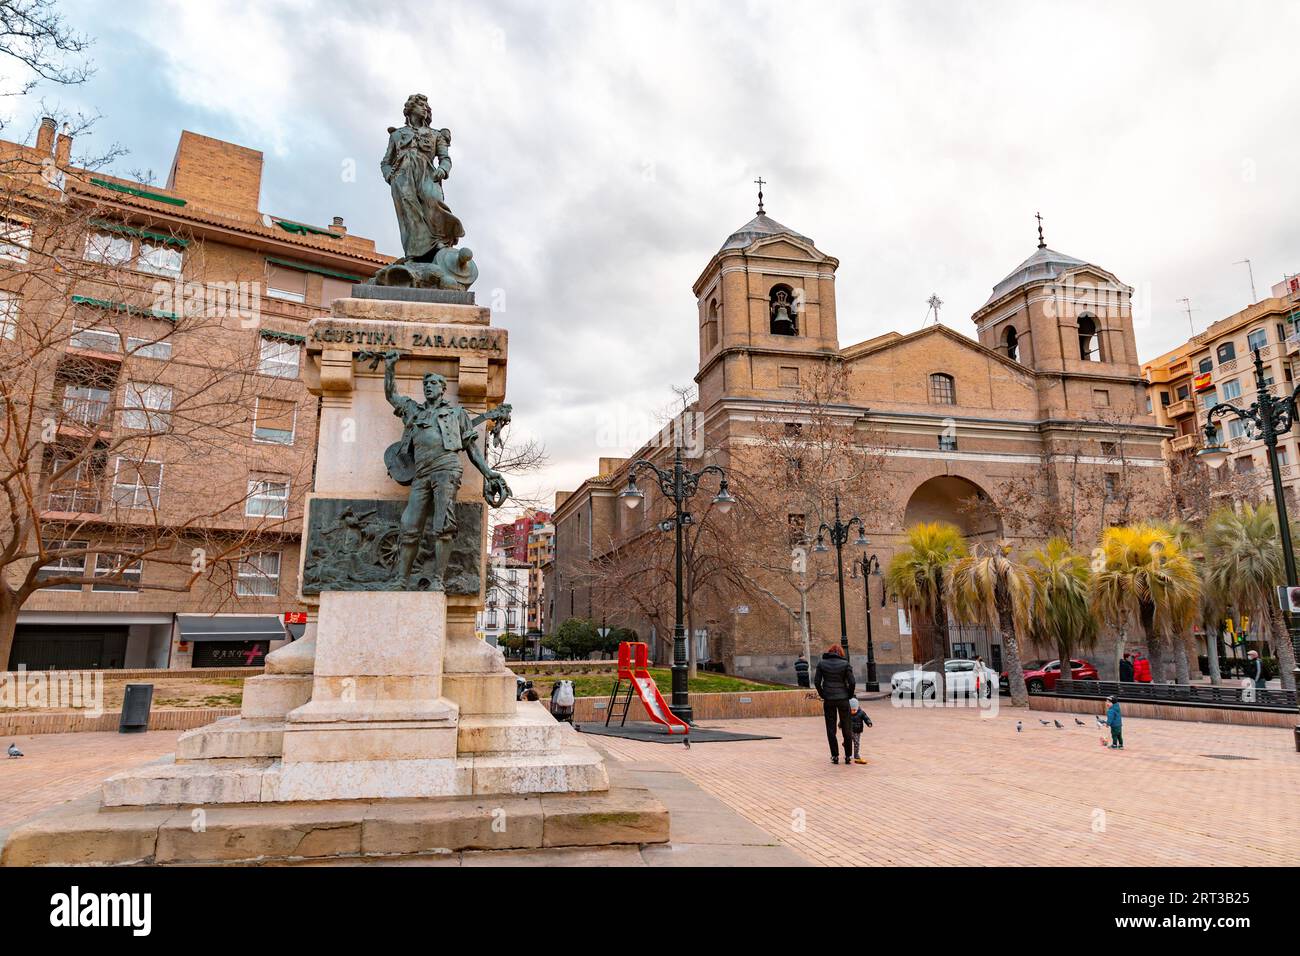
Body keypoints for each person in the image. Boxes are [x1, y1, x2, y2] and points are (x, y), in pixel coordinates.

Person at [813, 644, 856, 765]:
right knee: (847, 727)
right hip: (843, 698)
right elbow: (852, 682)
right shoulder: (845, 664)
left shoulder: (822, 663)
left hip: (829, 699)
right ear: (840, 653)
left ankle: (835, 756)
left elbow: (817, 682)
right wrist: (849, 694)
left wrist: (823, 694)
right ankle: (848, 756)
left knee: (831, 728)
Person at [848, 697, 872, 765]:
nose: (853, 711)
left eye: (854, 710)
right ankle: (849, 754)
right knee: (851, 741)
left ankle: (856, 755)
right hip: (850, 730)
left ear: (857, 707)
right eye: (851, 710)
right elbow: (843, 719)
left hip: (858, 730)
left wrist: (869, 723)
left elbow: (866, 718)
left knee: (856, 743)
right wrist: (840, 725)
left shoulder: (861, 713)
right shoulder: (847, 713)